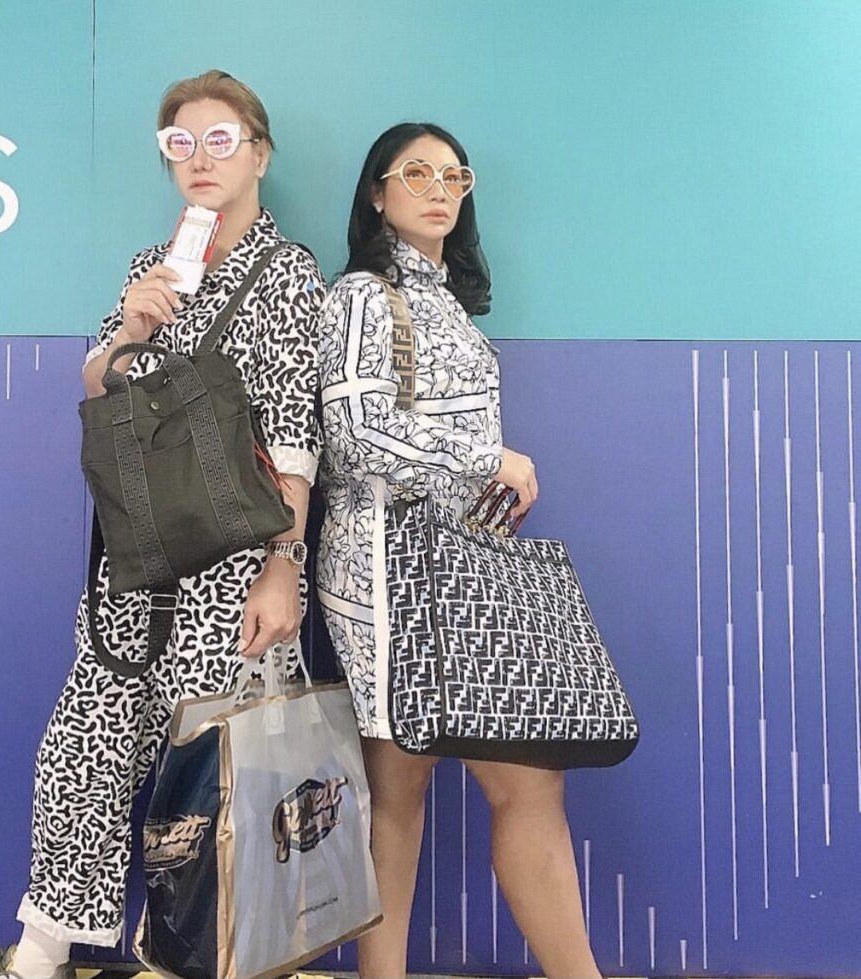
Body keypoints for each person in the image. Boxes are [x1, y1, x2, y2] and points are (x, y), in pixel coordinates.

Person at [0, 70, 323, 979]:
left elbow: (294, 430)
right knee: (84, 744)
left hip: (237, 560)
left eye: (221, 140)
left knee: (213, 771)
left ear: (259, 154)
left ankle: (196, 955)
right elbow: (100, 388)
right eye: (181, 143)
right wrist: (128, 327)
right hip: (137, 555)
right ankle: (42, 948)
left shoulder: (288, 274)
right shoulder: (155, 263)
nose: (200, 159)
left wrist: (284, 564)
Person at [316, 122, 601, 979]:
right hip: (387, 570)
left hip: (466, 571)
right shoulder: (363, 294)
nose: (439, 189)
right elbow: (354, 434)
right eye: (416, 174)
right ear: (377, 193)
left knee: (514, 782)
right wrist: (487, 458)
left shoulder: (449, 302)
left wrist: (484, 478)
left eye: (454, 176)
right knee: (405, 788)